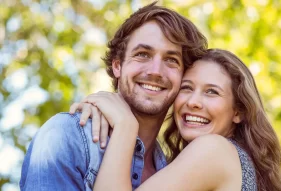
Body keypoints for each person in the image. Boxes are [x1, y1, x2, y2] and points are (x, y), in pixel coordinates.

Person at [19, 2, 207, 190]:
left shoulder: (173, 171)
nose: (155, 71)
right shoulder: (65, 136)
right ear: (117, 66)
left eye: (171, 60)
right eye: (142, 54)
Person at [75, 49, 281, 191]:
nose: (193, 102)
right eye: (187, 88)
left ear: (238, 111)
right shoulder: (233, 160)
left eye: (212, 92)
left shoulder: (214, 150)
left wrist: (126, 125)